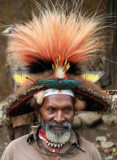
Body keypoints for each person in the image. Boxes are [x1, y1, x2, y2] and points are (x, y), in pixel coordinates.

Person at [1, 4, 110, 160]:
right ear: (38, 111)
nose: (59, 118)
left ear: (75, 110)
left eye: (67, 109)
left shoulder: (89, 153)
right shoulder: (15, 151)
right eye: (51, 109)